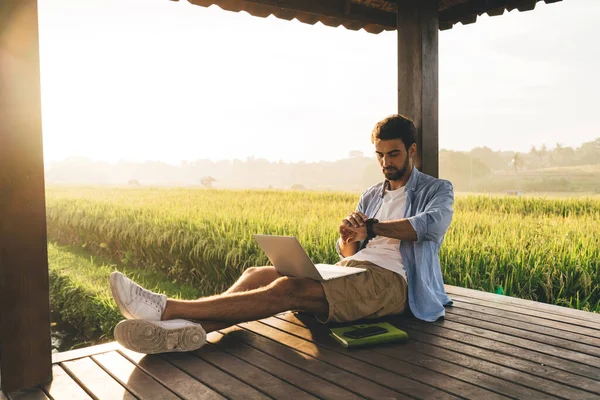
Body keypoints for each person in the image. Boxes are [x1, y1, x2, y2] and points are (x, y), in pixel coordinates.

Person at [109, 114, 454, 354]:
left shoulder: (437, 190)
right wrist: (350, 237)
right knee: (255, 273)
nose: (385, 162)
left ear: (410, 151)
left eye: (393, 154)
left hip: (394, 283)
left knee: (288, 288)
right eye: (379, 155)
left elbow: (429, 227)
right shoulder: (372, 194)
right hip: (355, 270)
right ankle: (188, 332)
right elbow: (350, 253)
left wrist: (373, 227)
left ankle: (166, 308)